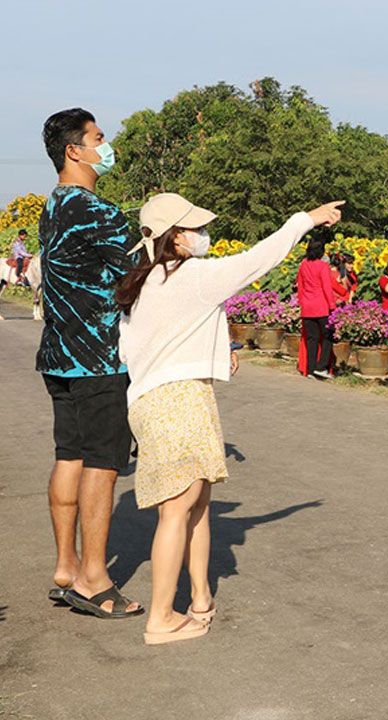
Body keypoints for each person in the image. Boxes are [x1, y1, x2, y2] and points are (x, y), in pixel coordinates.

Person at [116, 193, 343, 644]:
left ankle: (200, 598)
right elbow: (258, 260)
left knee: (197, 504)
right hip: (175, 400)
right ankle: (160, 618)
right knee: (178, 510)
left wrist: (218, 350)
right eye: (194, 228)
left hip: (172, 397)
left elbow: (172, 333)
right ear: (173, 236)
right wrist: (305, 219)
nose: (202, 236)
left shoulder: (149, 280)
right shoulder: (192, 276)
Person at [36, 108, 143, 618]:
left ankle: (66, 566)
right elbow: (141, 270)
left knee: (69, 454)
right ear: (74, 150)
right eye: (99, 138)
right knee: (103, 463)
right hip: (97, 356)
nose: (107, 145)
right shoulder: (97, 209)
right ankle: (95, 579)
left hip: (59, 353)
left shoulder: (54, 205)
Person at [296, 236, 347, 379]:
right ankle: (321, 367)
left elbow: (300, 285)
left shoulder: (303, 264)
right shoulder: (323, 266)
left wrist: (301, 302)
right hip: (321, 306)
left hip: (307, 307)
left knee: (311, 339)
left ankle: (311, 370)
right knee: (328, 336)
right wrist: (332, 306)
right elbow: (326, 287)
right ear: (321, 251)